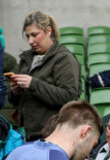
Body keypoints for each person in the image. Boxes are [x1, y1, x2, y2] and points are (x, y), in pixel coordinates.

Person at [9, 10, 81, 141]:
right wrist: (15, 92)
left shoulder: (64, 58)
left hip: (52, 135)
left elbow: (70, 97)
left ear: (48, 31)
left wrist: (33, 84)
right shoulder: (27, 59)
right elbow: (16, 102)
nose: (30, 41)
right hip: (27, 134)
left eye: (35, 35)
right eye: (28, 36)